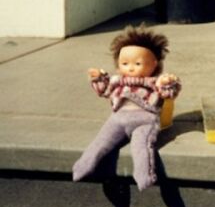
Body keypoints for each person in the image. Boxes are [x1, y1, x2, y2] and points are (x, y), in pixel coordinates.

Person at [72, 25, 181, 191]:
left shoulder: (154, 83)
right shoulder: (116, 82)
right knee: (100, 142)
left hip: (144, 120)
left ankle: (144, 177)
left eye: (138, 63)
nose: (130, 68)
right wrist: (98, 78)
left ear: (154, 64)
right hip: (118, 118)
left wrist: (168, 83)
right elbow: (104, 90)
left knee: (141, 147)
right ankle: (82, 167)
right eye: (125, 63)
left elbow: (168, 92)